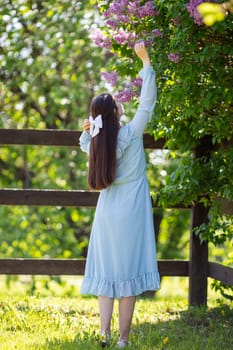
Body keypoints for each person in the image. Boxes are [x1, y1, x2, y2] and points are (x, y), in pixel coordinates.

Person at [79, 41, 160, 348]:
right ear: (115, 111)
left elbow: (85, 143)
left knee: (109, 273)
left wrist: (89, 131)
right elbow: (148, 102)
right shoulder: (130, 133)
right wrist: (146, 62)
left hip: (107, 210)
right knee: (127, 274)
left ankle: (104, 333)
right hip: (132, 207)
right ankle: (123, 339)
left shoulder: (97, 144)